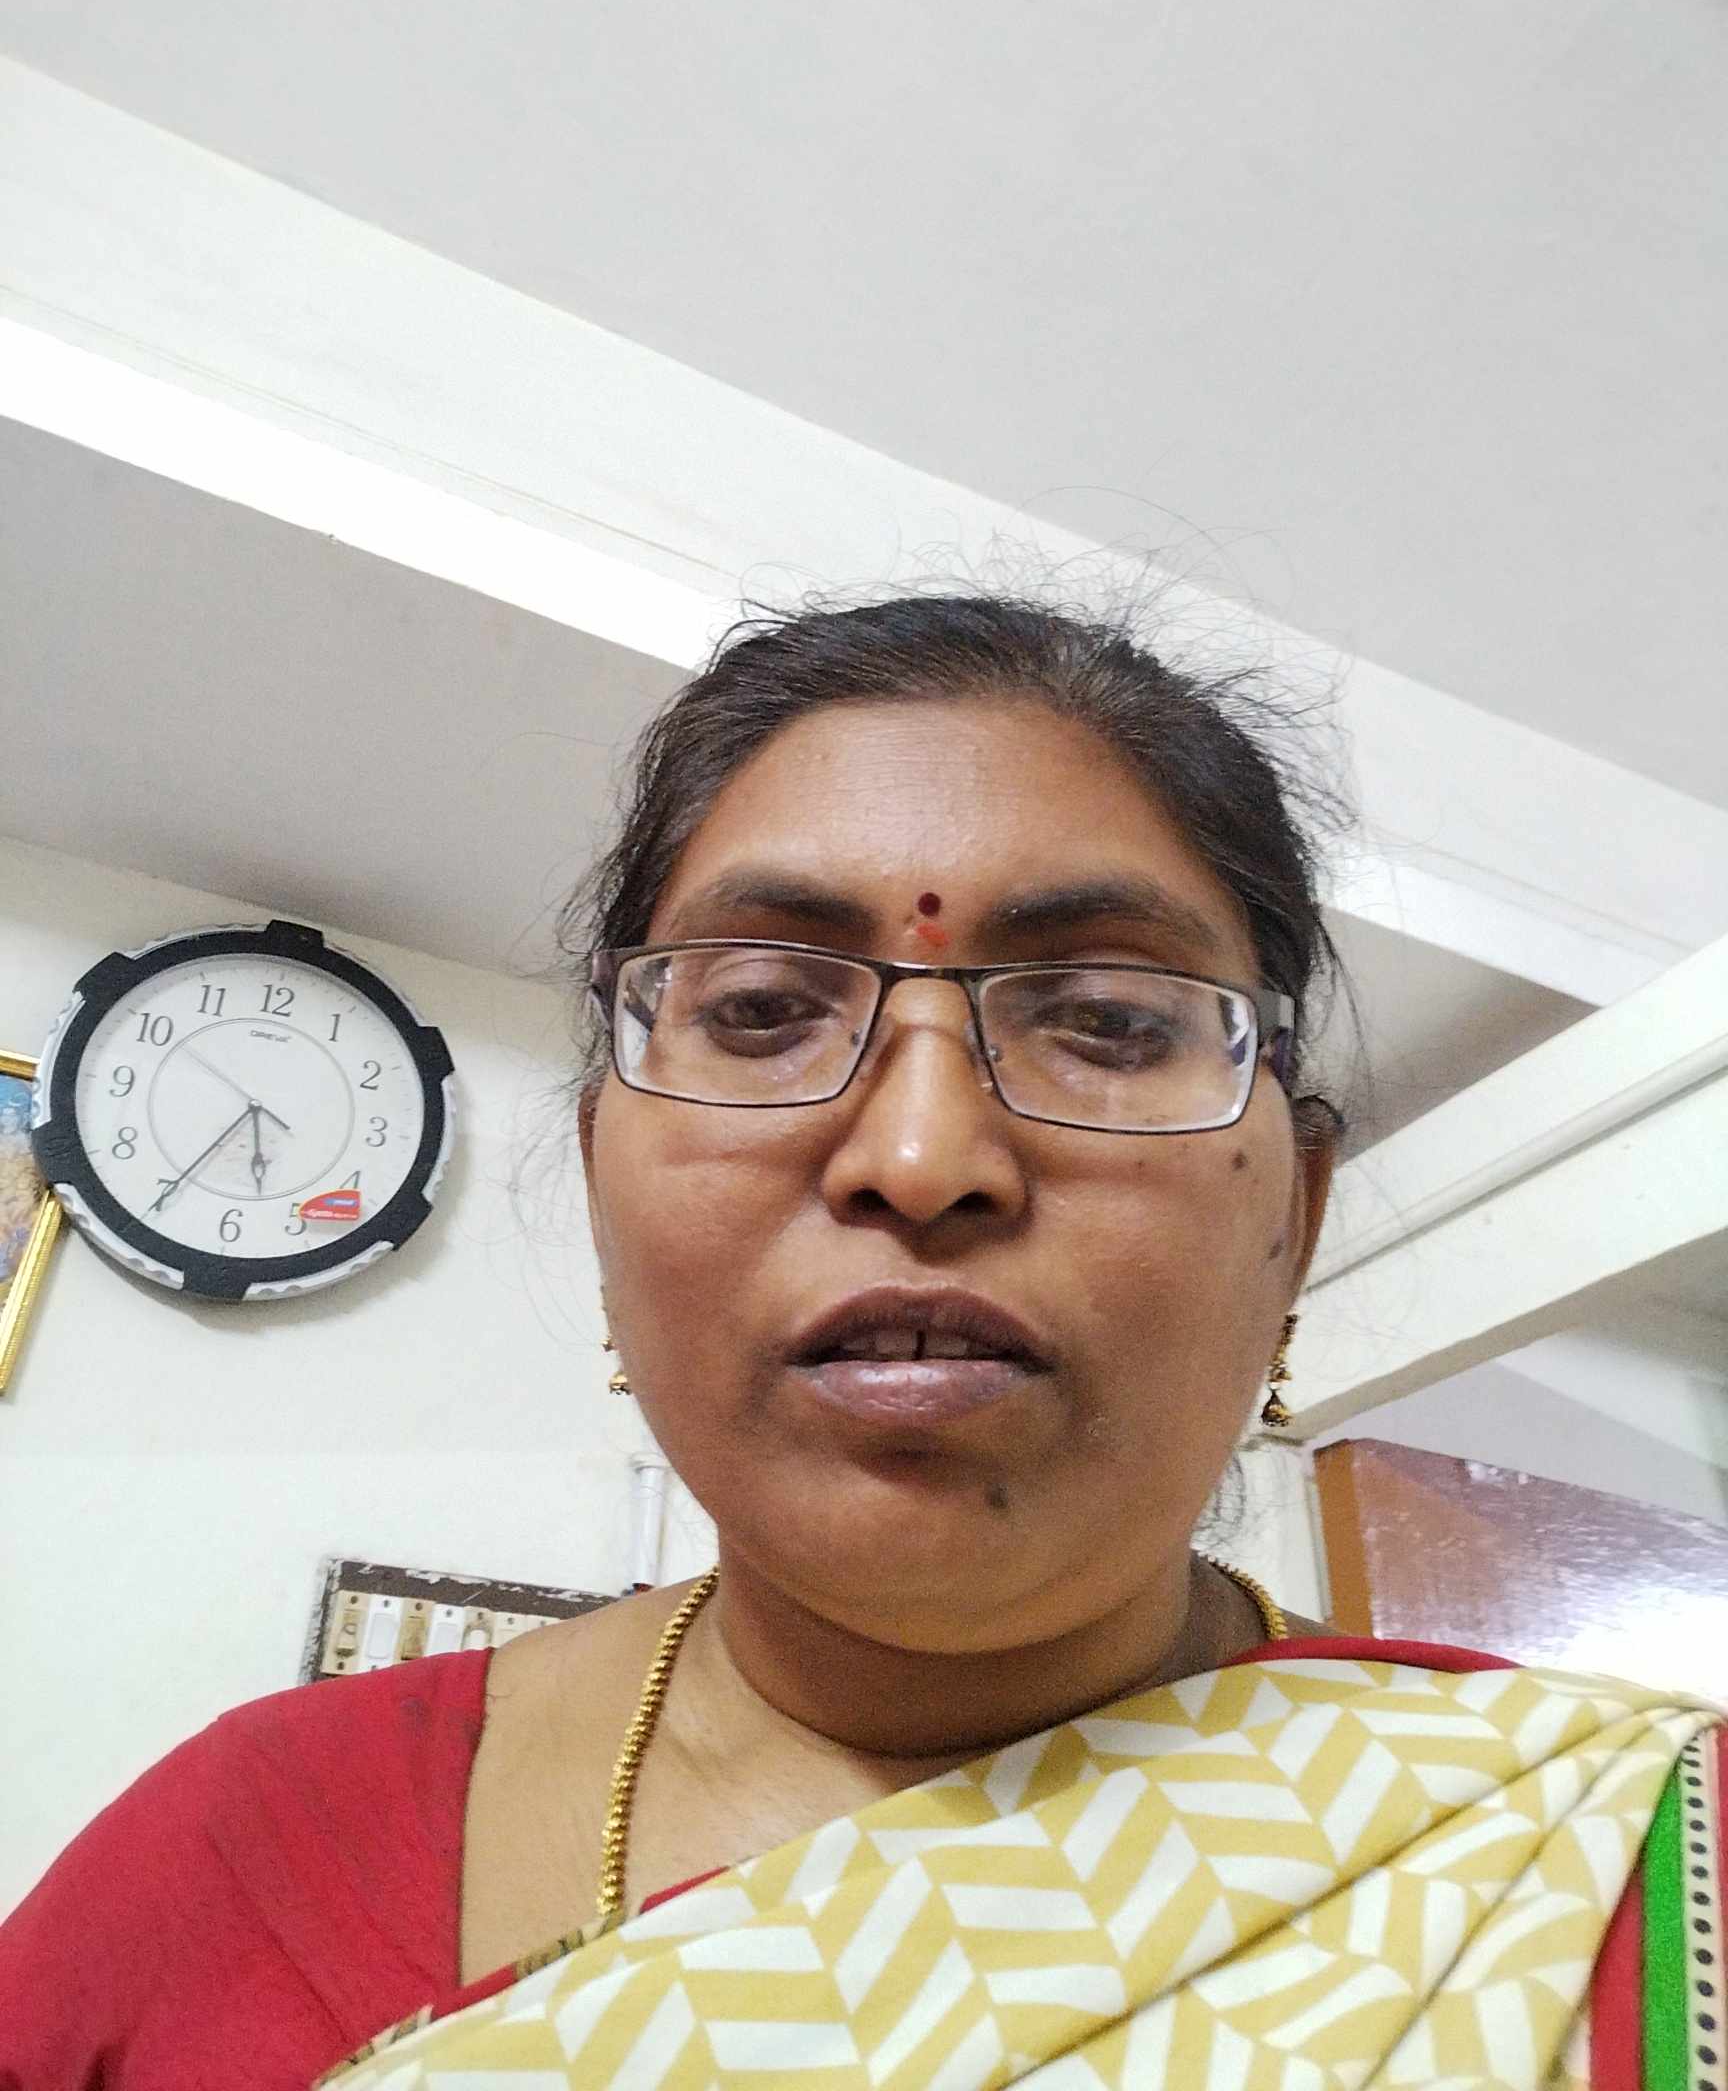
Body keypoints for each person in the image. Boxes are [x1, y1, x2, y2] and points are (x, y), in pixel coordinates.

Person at [1, 592, 1720, 2091]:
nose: (919, 1155)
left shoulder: (1620, 1872)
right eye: (759, 1010)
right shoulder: (235, 1860)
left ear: (1300, 1222)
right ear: (601, 1180)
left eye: (1109, 1021)